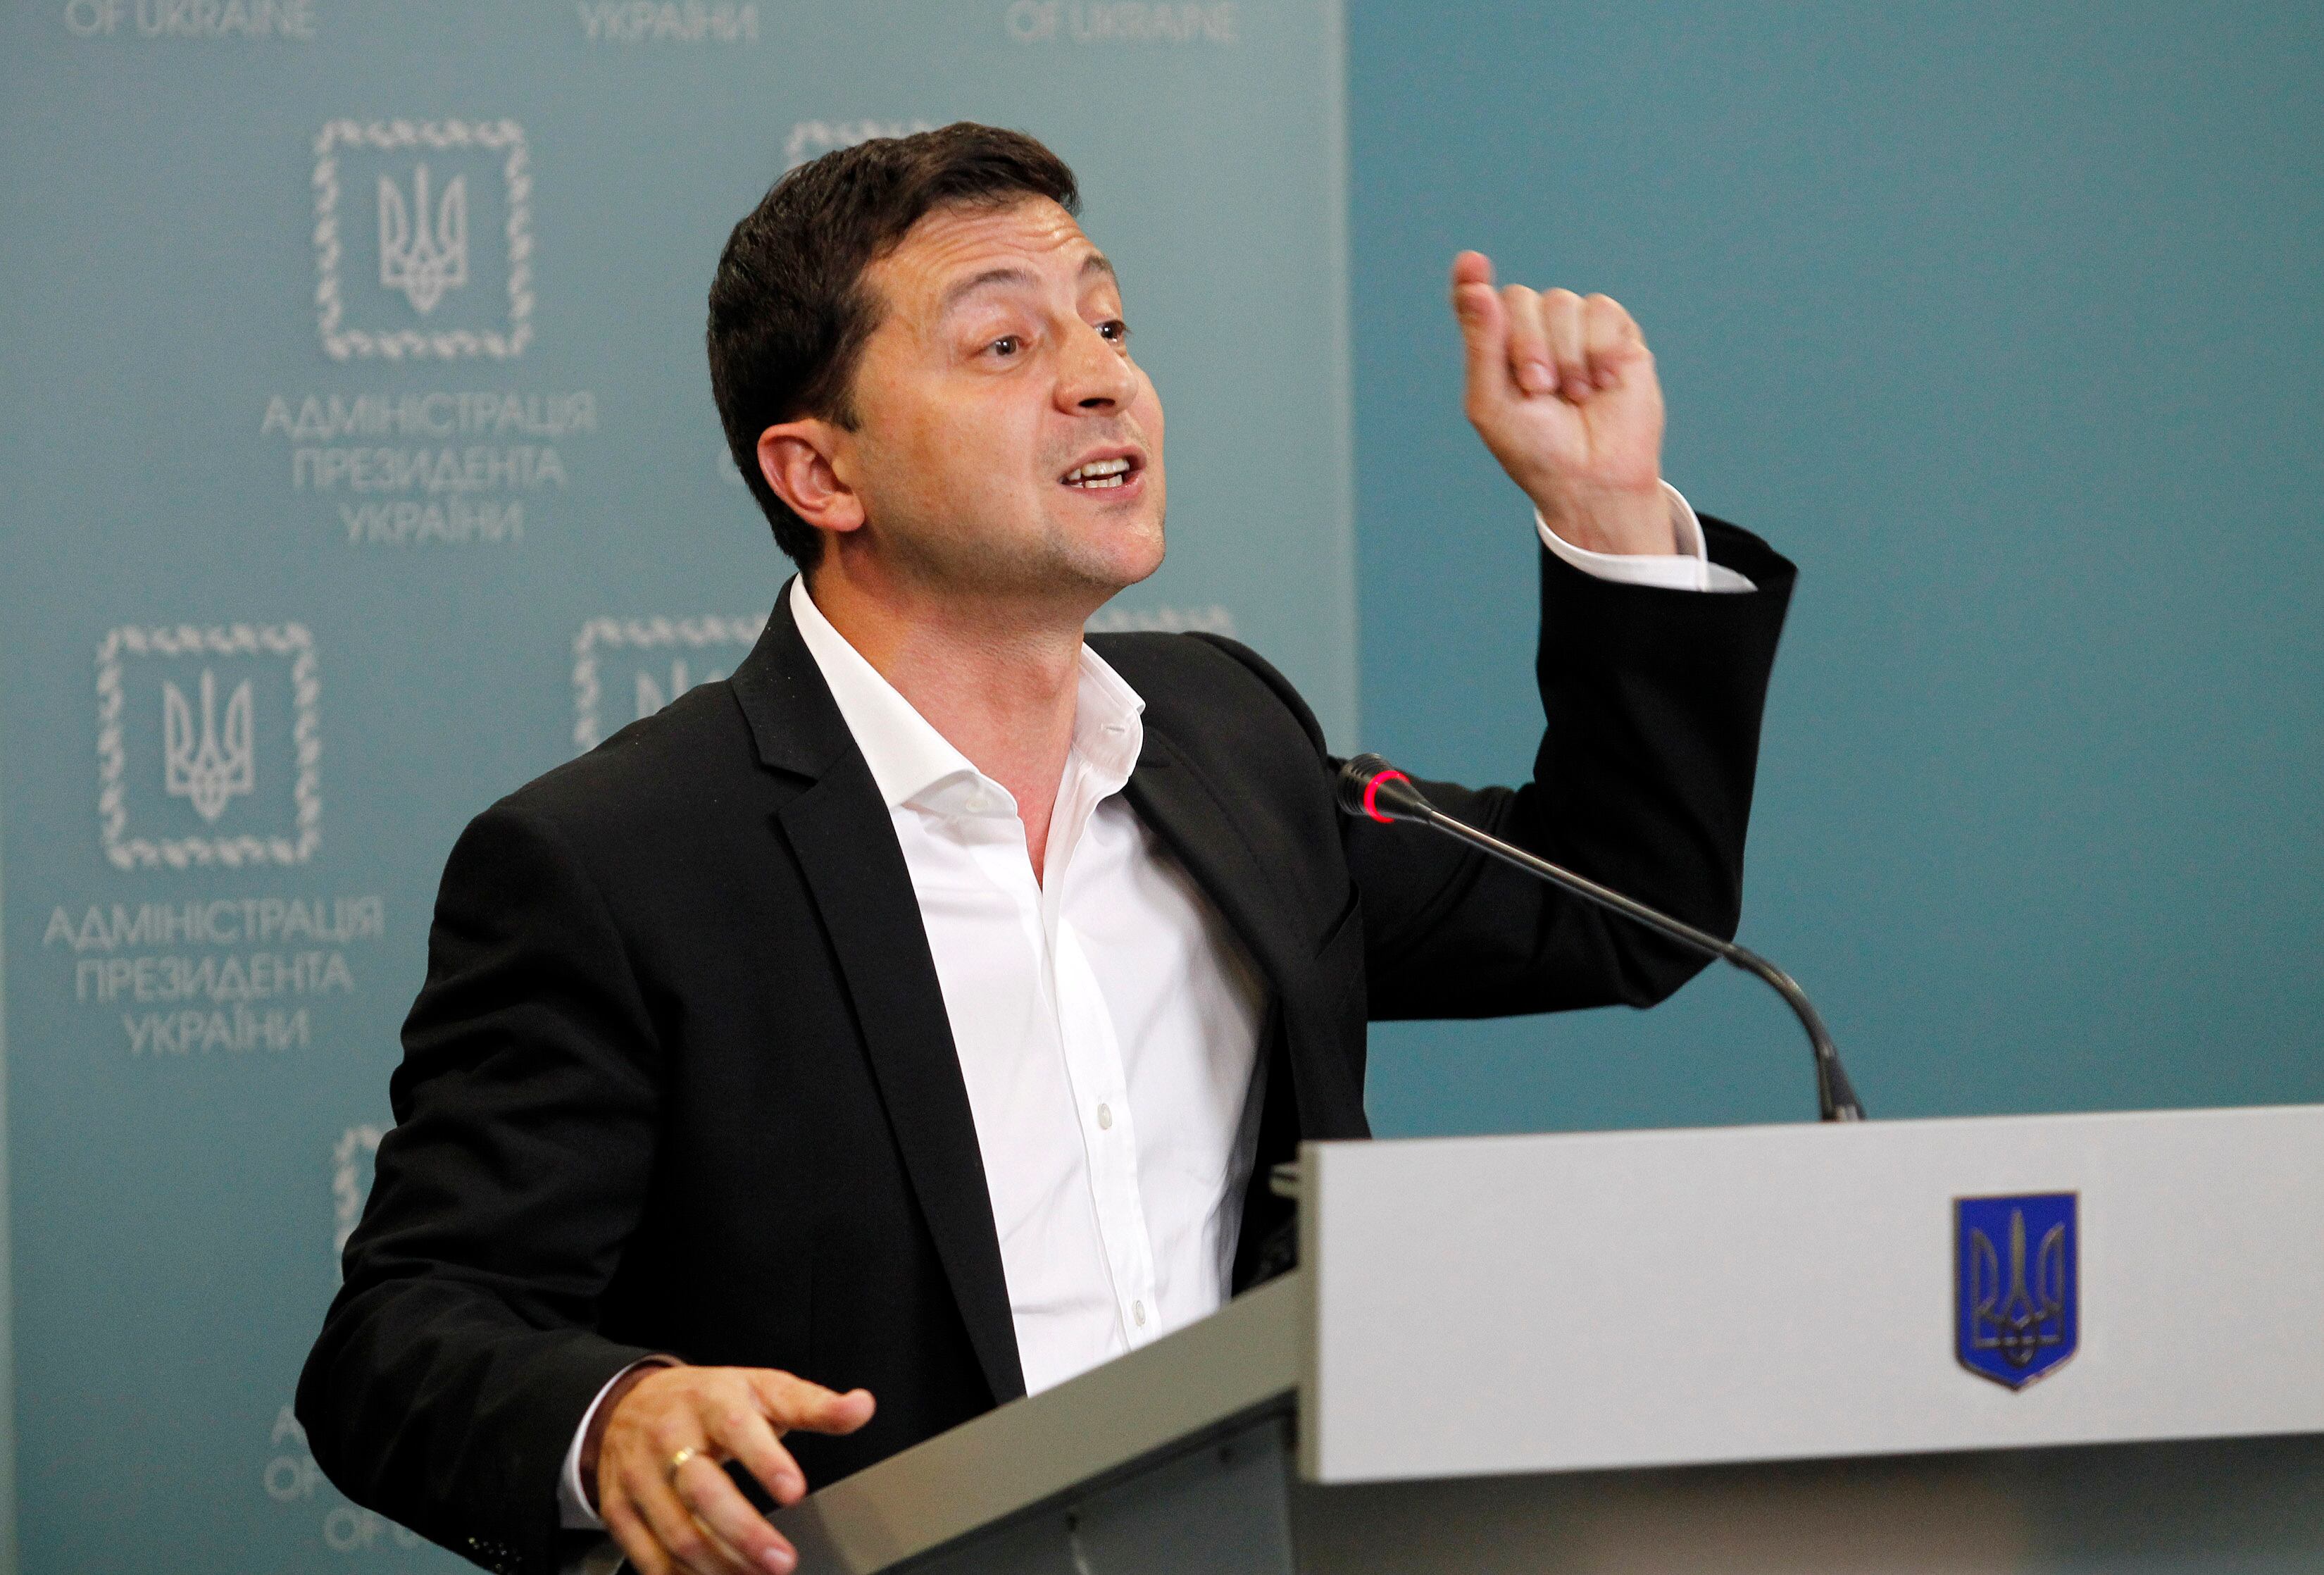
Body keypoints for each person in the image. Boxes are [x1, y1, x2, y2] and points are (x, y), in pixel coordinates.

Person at [299, 123, 1794, 1575]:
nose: (1101, 381)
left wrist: (1604, 514)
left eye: (1109, 323)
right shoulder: (620, 863)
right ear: (823, 475)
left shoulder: (1229, 742)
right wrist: (617, 1410)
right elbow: (401, 1341)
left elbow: (1628, 905)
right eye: (1007, 346)